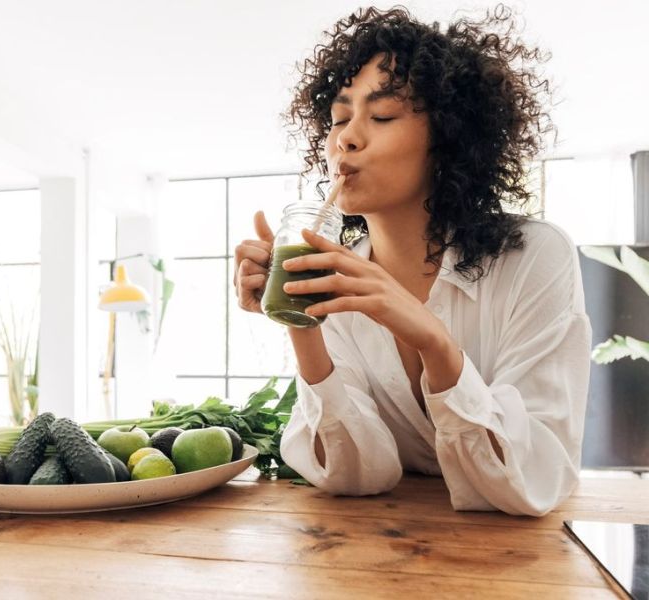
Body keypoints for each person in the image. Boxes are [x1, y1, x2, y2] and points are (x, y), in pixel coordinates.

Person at [233, 5, 592, 516]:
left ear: (447, 137)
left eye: (381, 116)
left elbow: (536, 480)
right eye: (339, 118)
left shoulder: (534, 257)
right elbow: (355, 476)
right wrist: (300, 317)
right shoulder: (334, 274)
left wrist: (434, 342)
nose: (346, 138)